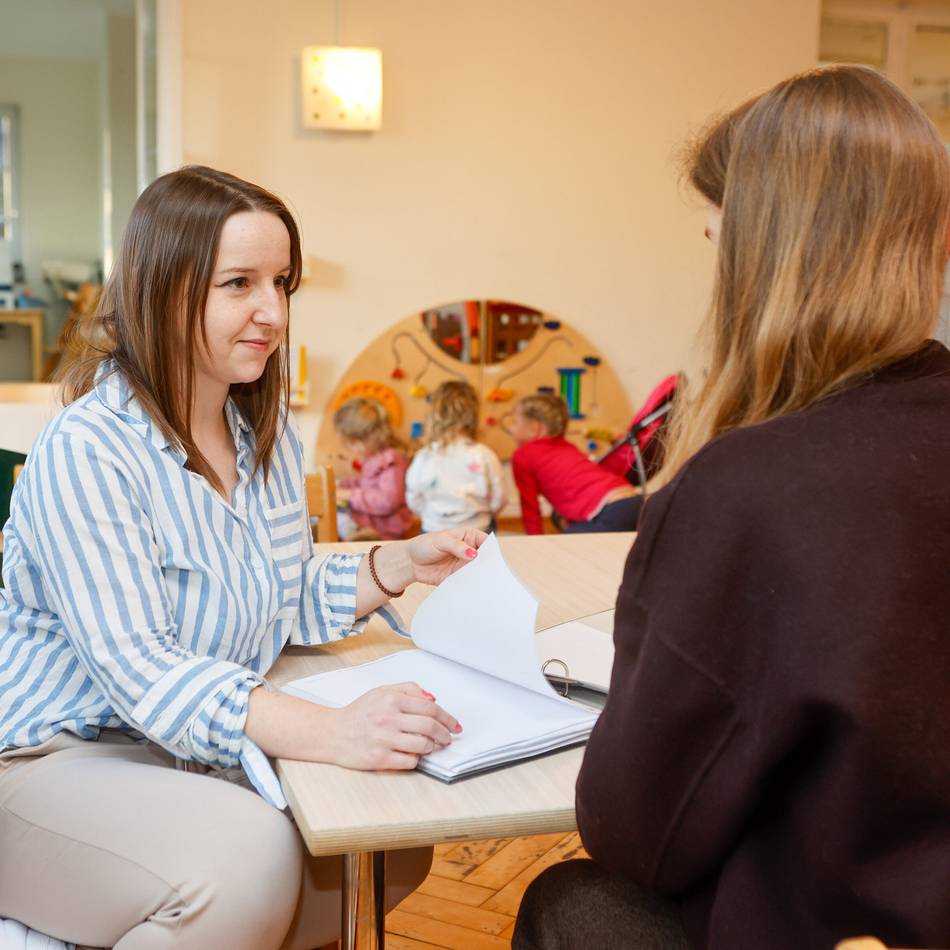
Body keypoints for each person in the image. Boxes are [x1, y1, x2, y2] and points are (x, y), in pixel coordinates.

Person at [513, 66, 950, 949]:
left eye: (717, 242)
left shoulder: (747, 489)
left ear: (761, 254)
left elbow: (638, 834)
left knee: (571, 903)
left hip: (832, 924)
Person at [0, 165, 486, 950]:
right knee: (247, 860)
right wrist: (334, 732)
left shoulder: (261, 436)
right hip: (45, 759)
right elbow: (145, 670)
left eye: (282, 283)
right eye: (239, 284)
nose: (272, 311)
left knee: (391, 842)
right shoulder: (89, 448)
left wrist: (390, 565)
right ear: (163, 289)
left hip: (171, 755)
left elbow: (273, 595)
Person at [509, 393, 641, 534]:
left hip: (609, 511)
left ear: (534, 428)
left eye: (515, 422)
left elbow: (530, 509)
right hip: (634, 501)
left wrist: (533, 543)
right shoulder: (568, 447)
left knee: (563, 547)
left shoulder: (523, 455)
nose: (511, 428)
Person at [405, 379, 506, 532]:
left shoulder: (424, 457)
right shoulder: (484, 455)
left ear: (433, 415)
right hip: (478, 529)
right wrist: (487, 512)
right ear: (473, 416)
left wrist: (432, 515)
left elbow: (414, 498)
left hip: (434, 530)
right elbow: (500, 498)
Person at [332, 396, 415, 539]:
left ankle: (356, 536)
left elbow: (387, 501)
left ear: (369, 438)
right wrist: (345, 484)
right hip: (373, 520)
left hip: (386, 527)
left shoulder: (392, 460)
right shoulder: (373, 457)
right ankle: (354, 534)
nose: (353, 450)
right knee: (335, 511)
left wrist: (351, 495)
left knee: (338, 516)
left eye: (353, 444)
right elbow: (368, 484)